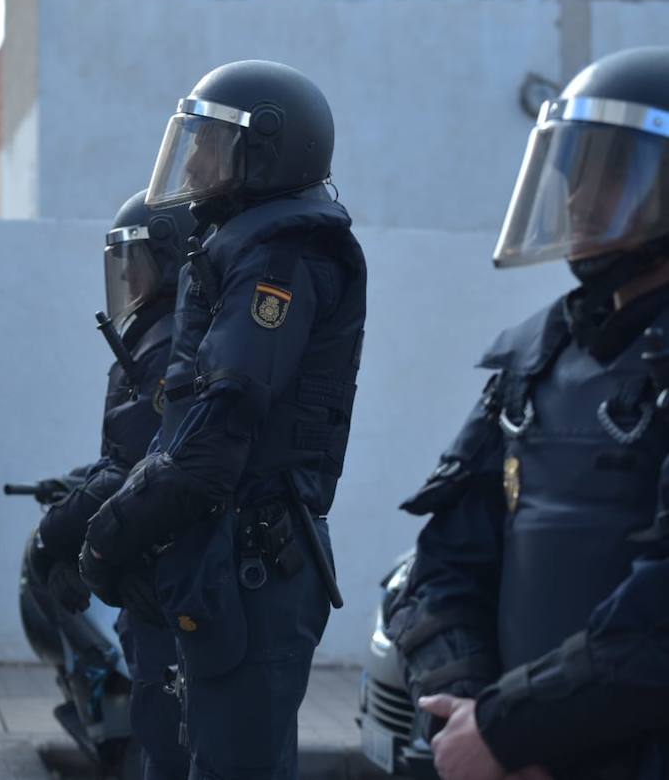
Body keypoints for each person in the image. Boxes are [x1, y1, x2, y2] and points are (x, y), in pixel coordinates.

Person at [384, 47, 669, 780]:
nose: (580, 195)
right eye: (573, 169)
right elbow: (442, 567)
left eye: (613, 170)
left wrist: (513, 733)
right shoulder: (537, 355)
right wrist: (472, 715)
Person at [80, 60, 368, 778]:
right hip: (222, 554)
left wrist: (112, 534)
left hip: (256, 561)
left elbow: (215, 437)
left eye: (212, 143)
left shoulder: (282, 259)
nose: (196, 160)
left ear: (265, 151)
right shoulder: (241, 246)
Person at [29, 187, 193, 780]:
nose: (126, 276)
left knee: (166, 744)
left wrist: (53, 538)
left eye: (137, 261)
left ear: (174, 261)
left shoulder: (169, 340)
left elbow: (129, 469)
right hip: (161, 576)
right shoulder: (164, 331)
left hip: (166, 578)